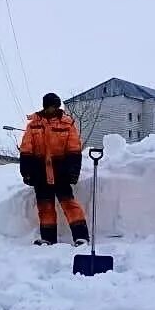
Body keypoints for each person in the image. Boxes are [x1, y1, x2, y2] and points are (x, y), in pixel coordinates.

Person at [19, 93, 90, 245]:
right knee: (45, 207)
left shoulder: (67, 123)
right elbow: (26, 150)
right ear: (45, 106)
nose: (53, 109)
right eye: (50, 106)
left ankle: (81, 237)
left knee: (69, 204)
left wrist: (73, 171)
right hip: (40, 172)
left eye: (55, 106)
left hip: (61, 171)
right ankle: (48, 238)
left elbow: (74, 149)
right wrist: (26, 172)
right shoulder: (33, 125)